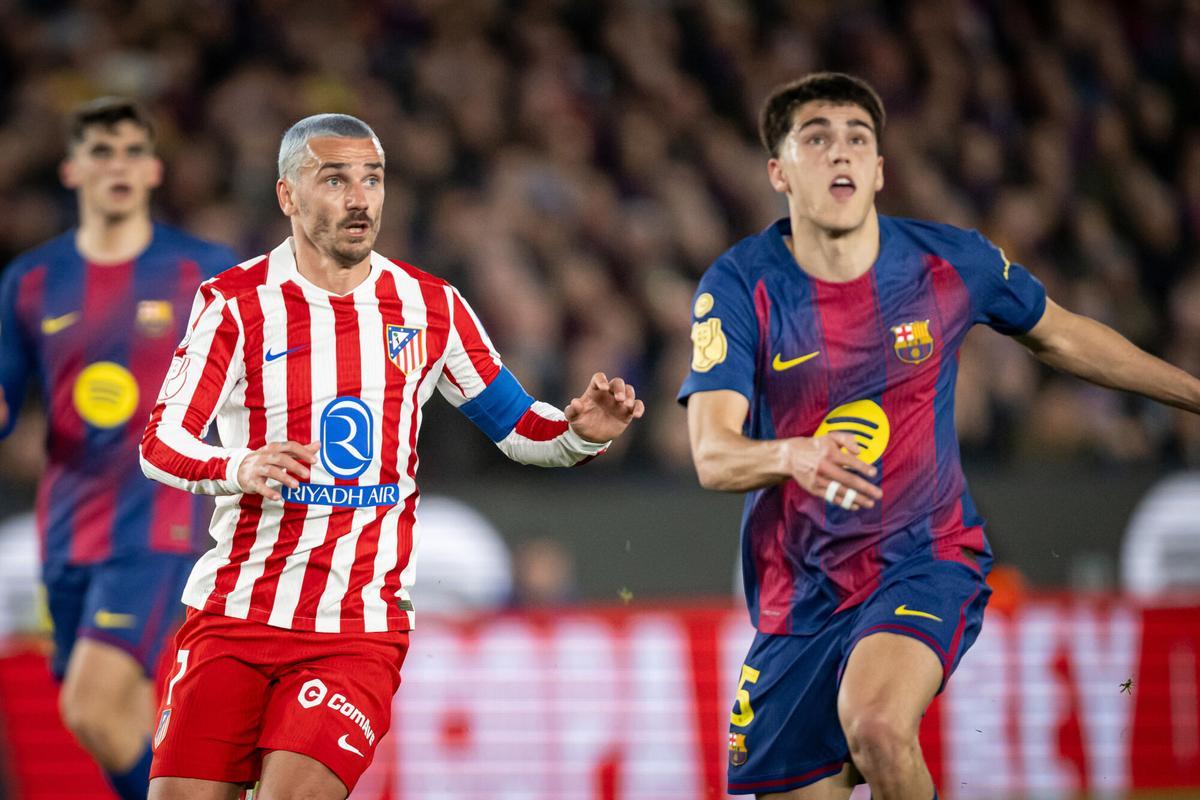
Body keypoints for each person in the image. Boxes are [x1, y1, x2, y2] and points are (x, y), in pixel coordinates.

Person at [679, 72, 1200, 800]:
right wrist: (790, 454)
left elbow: (1068, 339)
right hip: (798, 598)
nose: (841, 154)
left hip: (922, 559)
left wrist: (1194, 394)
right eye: (817, 138)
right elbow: (713, 454)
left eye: (858, 139)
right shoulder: (739, 287)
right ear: (779, 171)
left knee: (878, 727)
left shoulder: (947, 262)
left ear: (880, 169)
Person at [139, 113, 644, 800]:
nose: (360, 198)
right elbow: (160, 444)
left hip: (356, 630)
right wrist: (239, 465)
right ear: (287, 195)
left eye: (373, 179)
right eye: (335, 178)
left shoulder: (431, 307)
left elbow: (524, 432)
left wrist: (583, 431)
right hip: (231, 616)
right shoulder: (234, 307)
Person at [0, 97, 237, 800]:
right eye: (102, 151)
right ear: (72, 170)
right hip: (68, 521)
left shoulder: (206, 269)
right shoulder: (32, 281)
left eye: (134, 150)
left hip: (162, 513)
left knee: (90, 704)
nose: (119, 164)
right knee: (124, 714)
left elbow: (274, 366)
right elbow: (8, 399)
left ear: (155, 169)